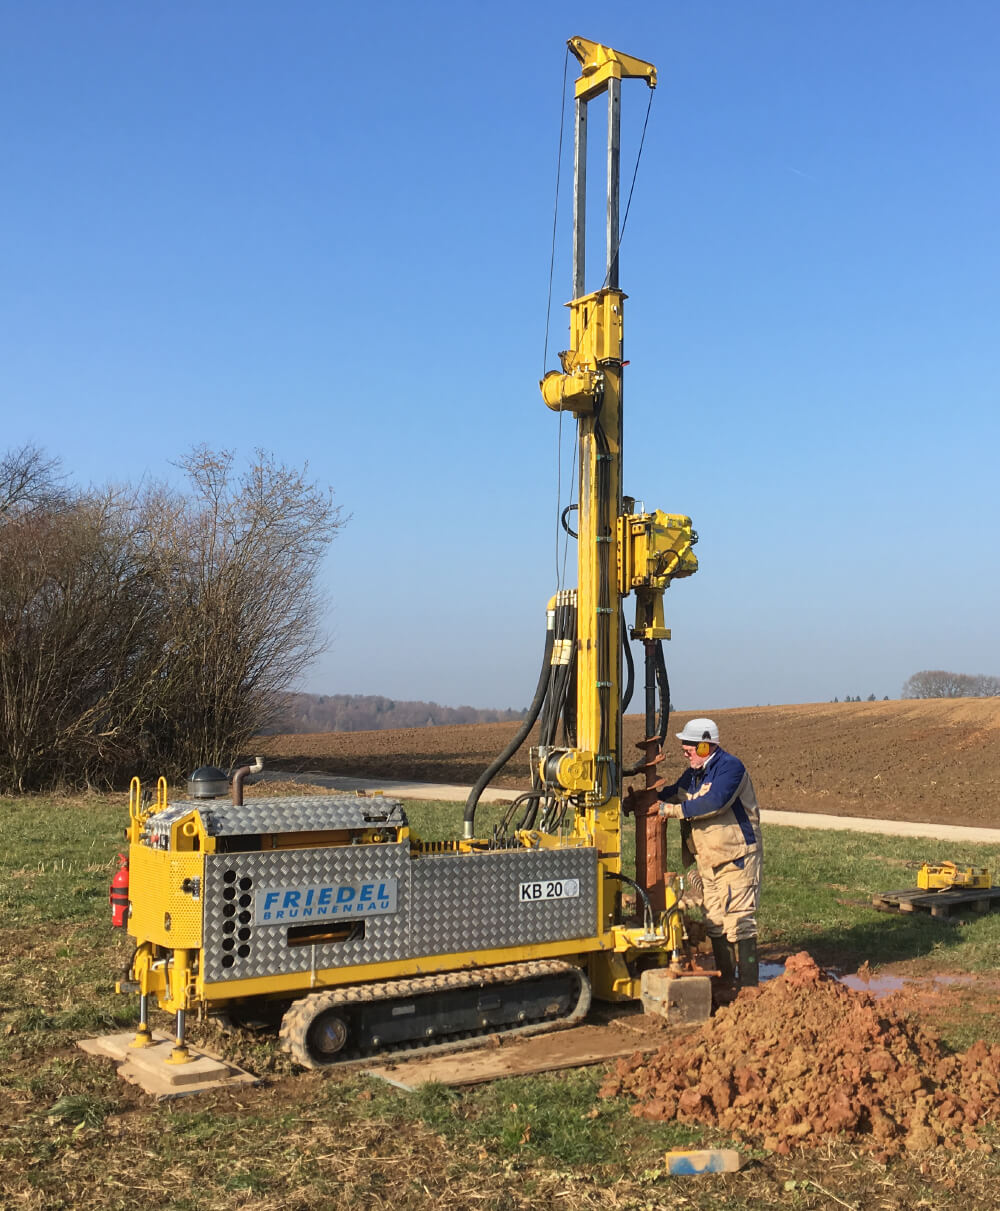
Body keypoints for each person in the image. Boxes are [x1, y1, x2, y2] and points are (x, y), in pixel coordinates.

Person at [657, 717, 762, 992]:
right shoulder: (694, 774)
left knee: (739, 922)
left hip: (736, 858)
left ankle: (750, 988)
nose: (685, 751)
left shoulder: (730, 768)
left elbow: (714, 802)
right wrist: (649, 800)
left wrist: (673, 811)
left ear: (705, 747)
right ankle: (727, 980)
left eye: (690, 746)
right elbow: (672, 794)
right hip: (708, 859)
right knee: (714, 921)